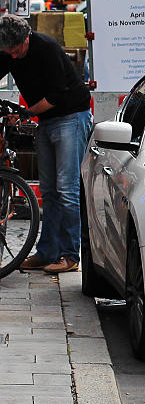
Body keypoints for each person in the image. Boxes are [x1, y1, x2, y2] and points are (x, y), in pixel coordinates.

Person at [0, 14, 92, 273]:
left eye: (17, 50)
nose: (14, 56)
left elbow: (57, 94)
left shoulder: (46, 47)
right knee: (48, 190)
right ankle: (47, 251)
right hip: (47, 119)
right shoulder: (10, 51)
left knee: (66, 189)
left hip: (70, 116)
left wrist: (26, 113)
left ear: (26, 38)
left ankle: (70, 255)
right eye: (9, 52)